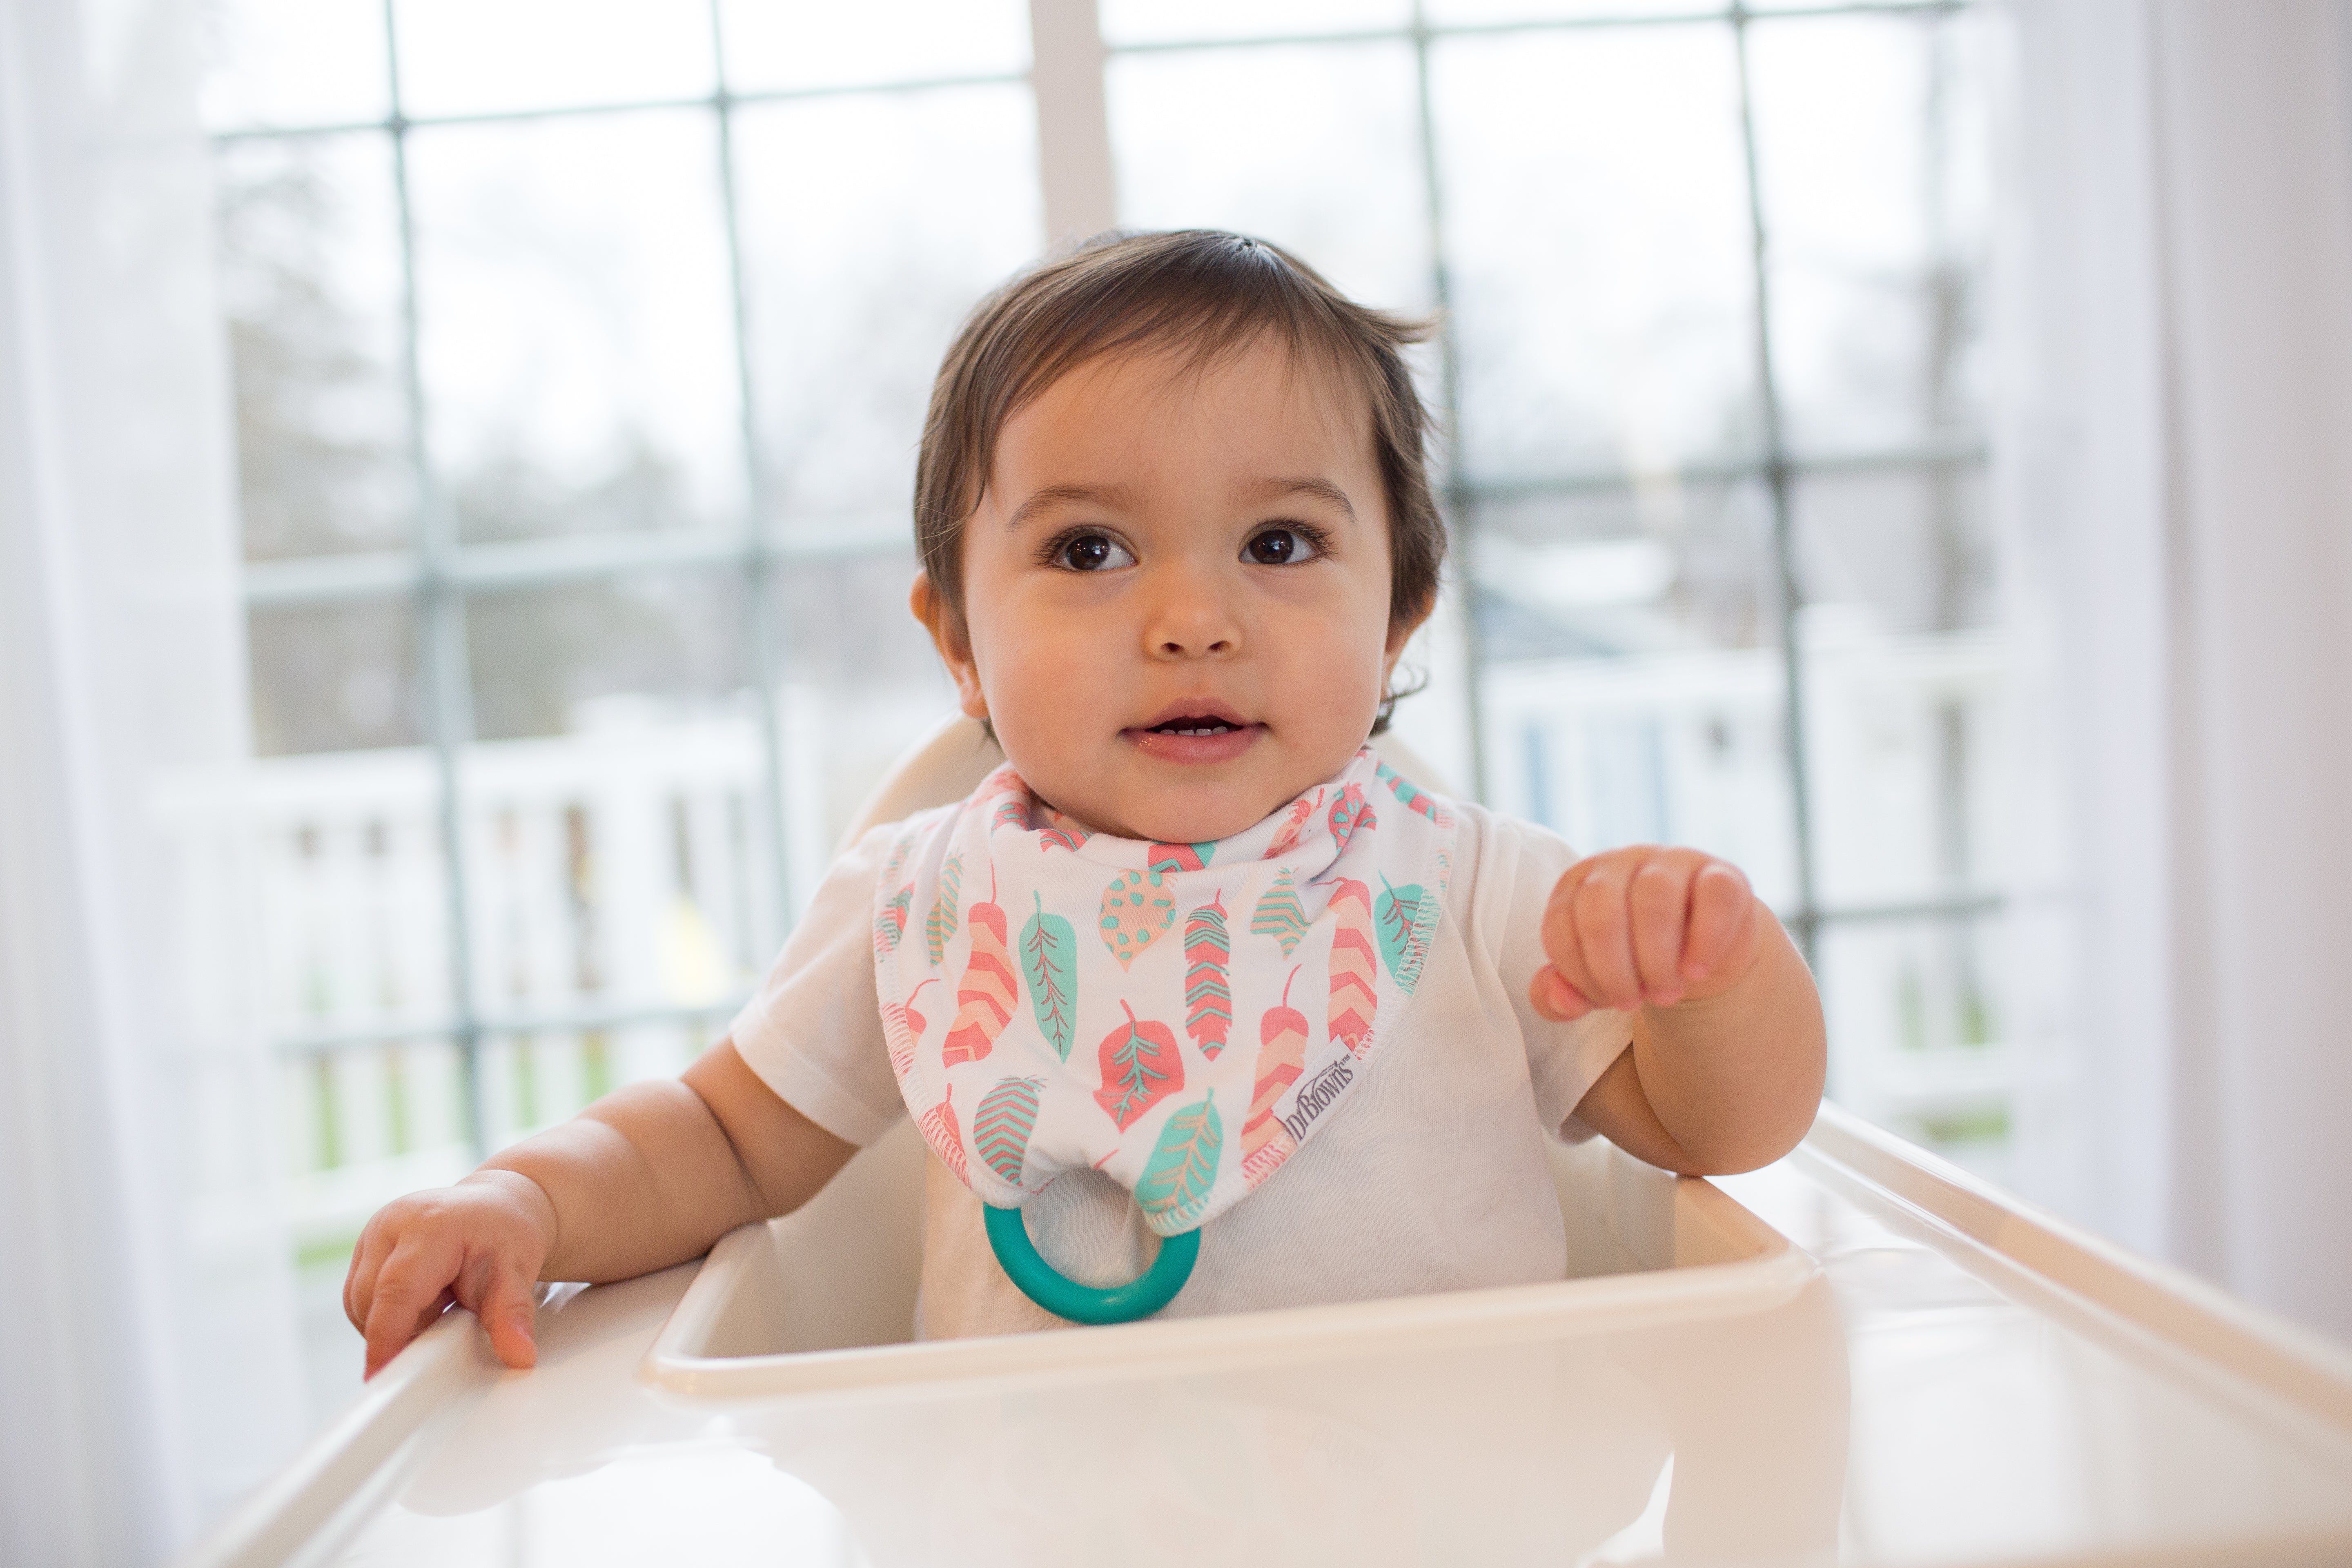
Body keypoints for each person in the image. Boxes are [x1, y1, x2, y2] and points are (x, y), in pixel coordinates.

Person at [343, 230, 1825, 1374]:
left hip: (1454, 1498)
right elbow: (719, 1142)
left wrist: (1714, 980)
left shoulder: (1479, 893)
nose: (1192, 617)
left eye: (1281, 542)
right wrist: (529, 1199)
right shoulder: (921, 904)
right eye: (1092, 554)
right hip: (1037, 1511)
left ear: (1401, 614)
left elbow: (1716, 1136)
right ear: (956, 642)